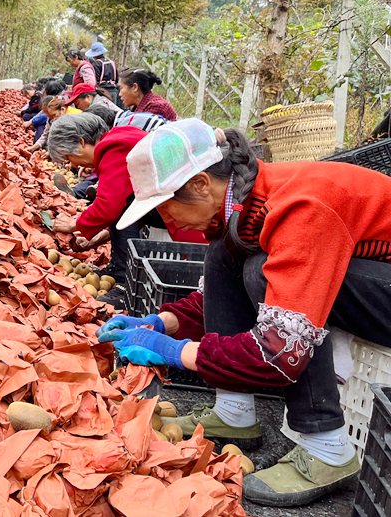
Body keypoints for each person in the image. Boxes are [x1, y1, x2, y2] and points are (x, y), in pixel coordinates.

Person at [96, 118, 391, 507]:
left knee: (259, 270)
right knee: (228, 254)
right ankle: (234, 412)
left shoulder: (300, 209)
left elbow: (277, 354)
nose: (169, 224)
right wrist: (160, 322)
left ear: (202, 184)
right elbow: (218, 296)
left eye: (167, 210)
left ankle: (328, 449)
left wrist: (174, 351)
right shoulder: (249, 202)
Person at [47, 113, 204, 310]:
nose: (73, 165)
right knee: (123, 199)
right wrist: (97, 236)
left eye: (70, 157)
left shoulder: (114, 148)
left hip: (191, 216)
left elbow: (110, 205)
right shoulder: (120, 136)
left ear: (81, 142)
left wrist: (75, 225)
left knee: (123, 202)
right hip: (183, 208)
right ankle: (118, 268)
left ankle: (123, 283)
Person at [85, 42, 120, 107]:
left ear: (94, 55)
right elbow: (116, 79)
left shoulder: (96, 64)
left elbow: (95, 80)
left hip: (103, 91)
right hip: (114, 90)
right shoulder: (112, 62)